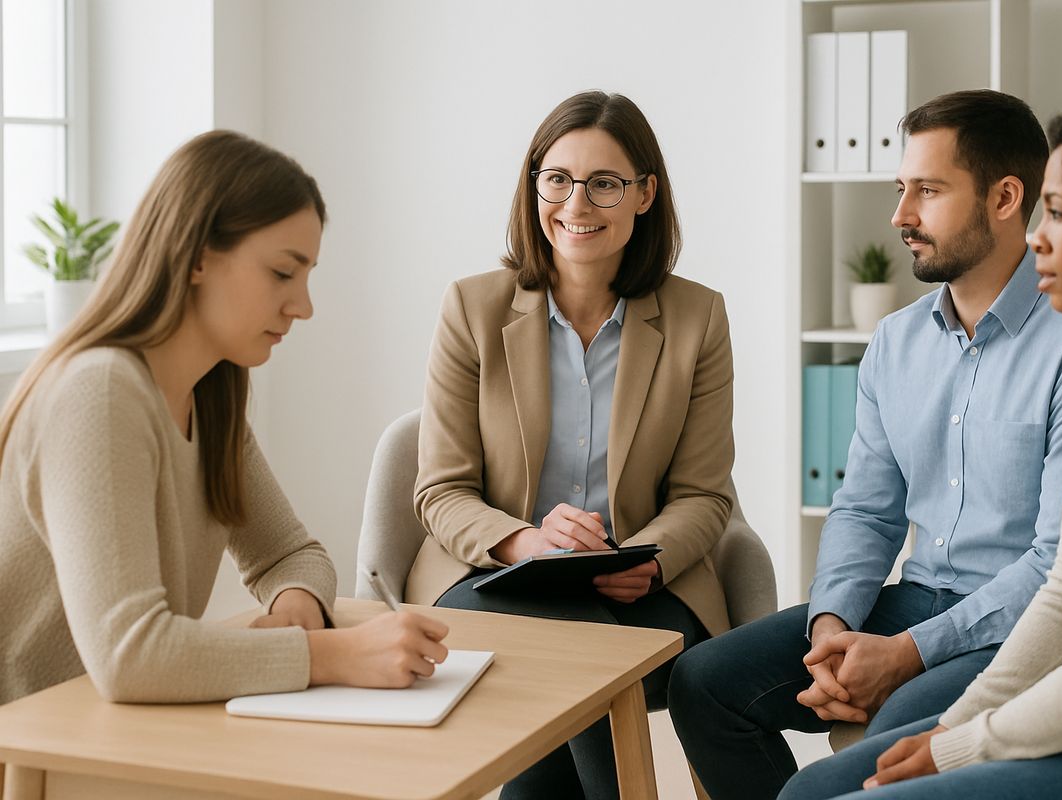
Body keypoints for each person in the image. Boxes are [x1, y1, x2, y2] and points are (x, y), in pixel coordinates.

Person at [669, 89, 1062, 799]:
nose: (900, 216)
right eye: (900, 188)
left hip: (1018, 625)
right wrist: (831, 631)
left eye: (928, 191)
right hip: (910, 601)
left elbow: (1056, 562)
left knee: (897, 729)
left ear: (1006, 197)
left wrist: (906, 655)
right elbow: (866, 511)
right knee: (703, 681)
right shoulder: (895, 341)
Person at [782, 89, 1062, 800]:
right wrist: (959, 728)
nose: (1037, 235)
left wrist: (961, 743)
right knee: (805, 794)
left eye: (1060, 213)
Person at [0, 130, 449, 707]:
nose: (303, 306)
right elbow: (128, 656)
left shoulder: (210, 395)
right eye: (283, 273)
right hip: (34, 754)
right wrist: (335, 656)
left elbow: (290, 555)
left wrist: (298, 608)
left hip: (112, 736)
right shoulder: (101, 391)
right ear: (196, 258)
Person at [411, 90, 734, 799]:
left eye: (605, 183)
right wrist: (529, 544)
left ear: (645, 193)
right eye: (556, 179)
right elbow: (440, 490)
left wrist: (646, 560)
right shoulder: (472, 307)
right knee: (572, 649)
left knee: (562, 660)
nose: (576, 204)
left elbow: (705, 494)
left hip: (645, 592)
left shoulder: (697, 318)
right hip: (492, 582)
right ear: (533, 188)